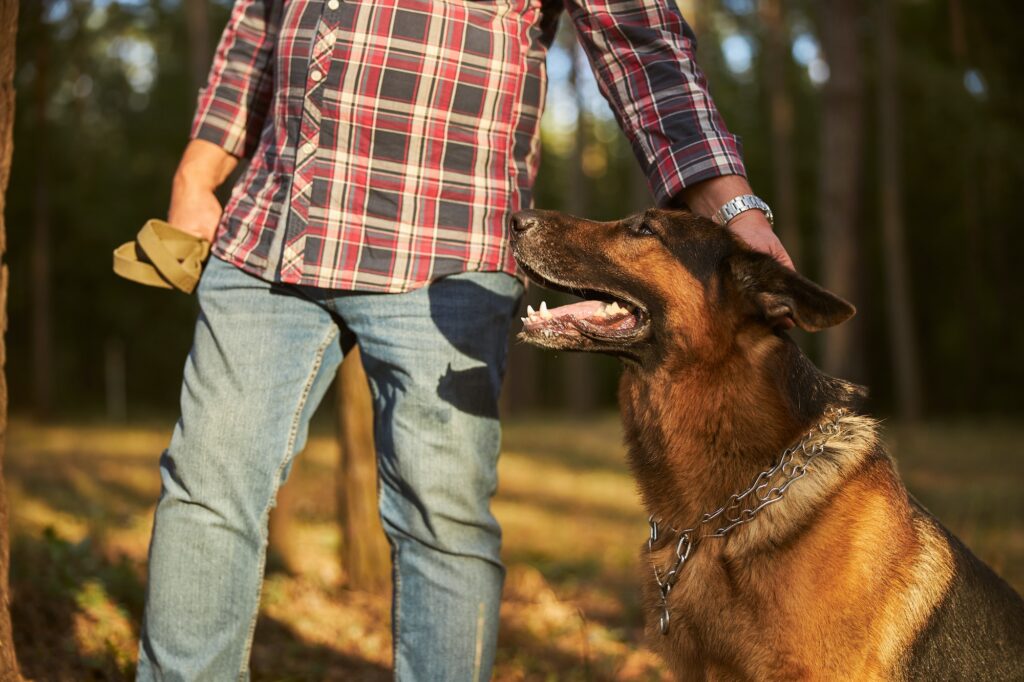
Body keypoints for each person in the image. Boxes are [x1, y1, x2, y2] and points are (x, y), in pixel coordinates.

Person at [135, 0, 792, 679]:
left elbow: (643, 42)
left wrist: (729, 204)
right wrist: (197, 173)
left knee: (441, 526)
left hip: (446, 239)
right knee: (203, 491)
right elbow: (256, 26)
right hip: (271, 223)